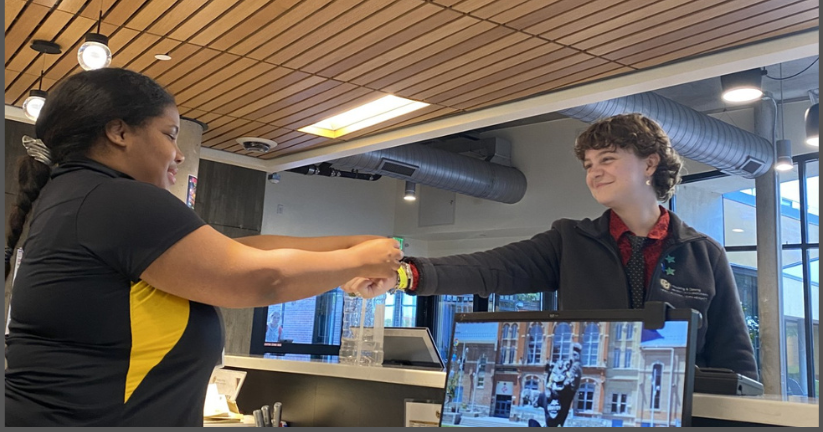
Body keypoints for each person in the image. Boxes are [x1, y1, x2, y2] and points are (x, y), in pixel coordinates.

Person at [4, 68, 402, 427]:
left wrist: (356, 247)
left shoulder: (79, 196)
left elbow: (236, 251)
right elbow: (263, 278)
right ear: (119, 132)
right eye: (169, 135)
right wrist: (360, 259)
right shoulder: (118, 199)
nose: (178, 154)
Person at [345, 113, 758, 379]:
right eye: (589, 165)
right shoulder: (571, 240)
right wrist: (402, 274)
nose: (595, 173)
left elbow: (735, 362)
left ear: (650, 163)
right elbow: (491, 268)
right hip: (586, 410)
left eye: (608, 159)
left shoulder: (702, 253)